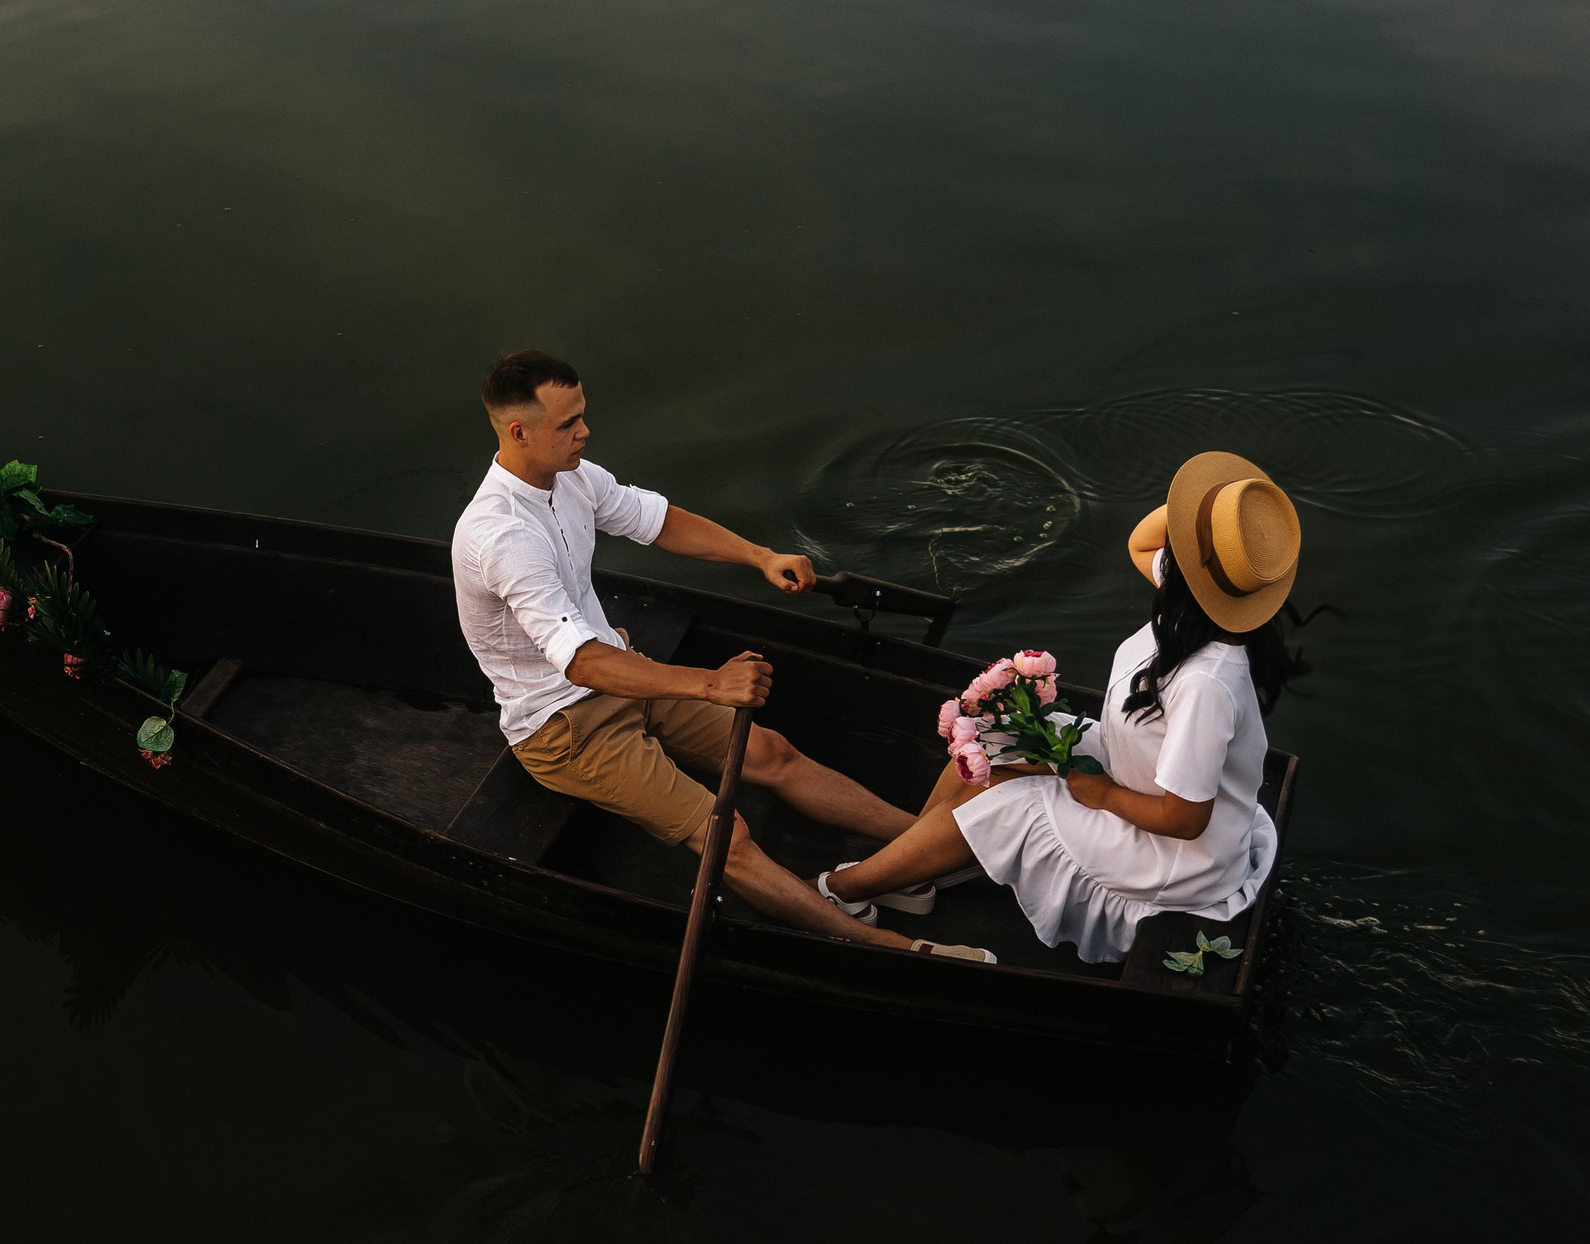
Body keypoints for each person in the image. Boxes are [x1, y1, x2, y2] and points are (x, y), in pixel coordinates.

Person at [450, 350, 992, 958]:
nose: (585, 431)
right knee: (725, 835)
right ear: (518, 432)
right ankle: (891, 946)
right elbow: (579, 662)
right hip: (563, 725)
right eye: (568, 423)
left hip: (626, 673)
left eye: (583, 415)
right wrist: (711, 684)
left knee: (774, 753)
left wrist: (760, 557)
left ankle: (932, 850)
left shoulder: (570, 476)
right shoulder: (502, 537)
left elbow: (661, 522)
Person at [818, 450, 1297, 962]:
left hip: (1177, 858)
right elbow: (1141, 541)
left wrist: (1104, 795)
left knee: (1014, 805)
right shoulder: (1198, 607)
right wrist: (1205, 515)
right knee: (994, 735)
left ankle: (841, 891)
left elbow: (1184, 820)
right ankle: (912, 878)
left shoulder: (1207, 683)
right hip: (1141, 776)